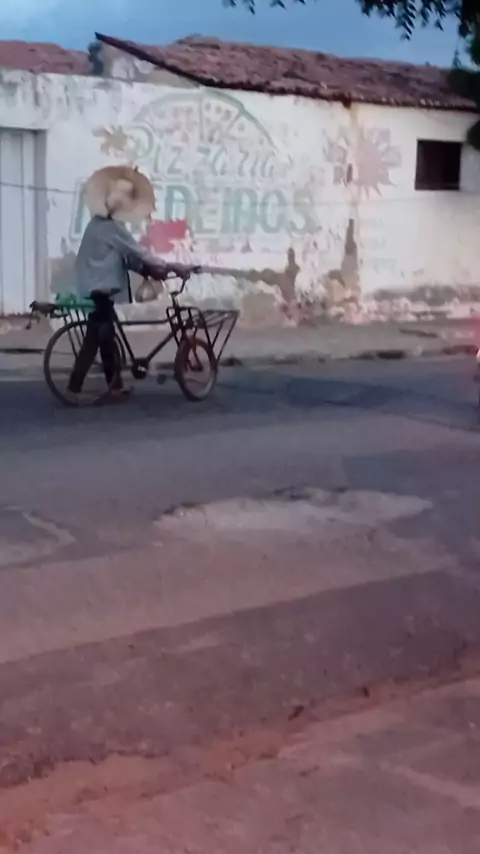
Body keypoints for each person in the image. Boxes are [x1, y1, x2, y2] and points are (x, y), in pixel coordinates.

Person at [67, 173, 188, 401]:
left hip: (98, 286)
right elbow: (136, 250)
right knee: (95, 339)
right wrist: (167, 265)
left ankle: (113, 386)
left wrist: (145, 270)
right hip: (102, 286)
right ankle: (75, 386)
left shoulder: (98, 225)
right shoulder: (110, 228)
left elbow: (125, 255)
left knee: (105, 339)